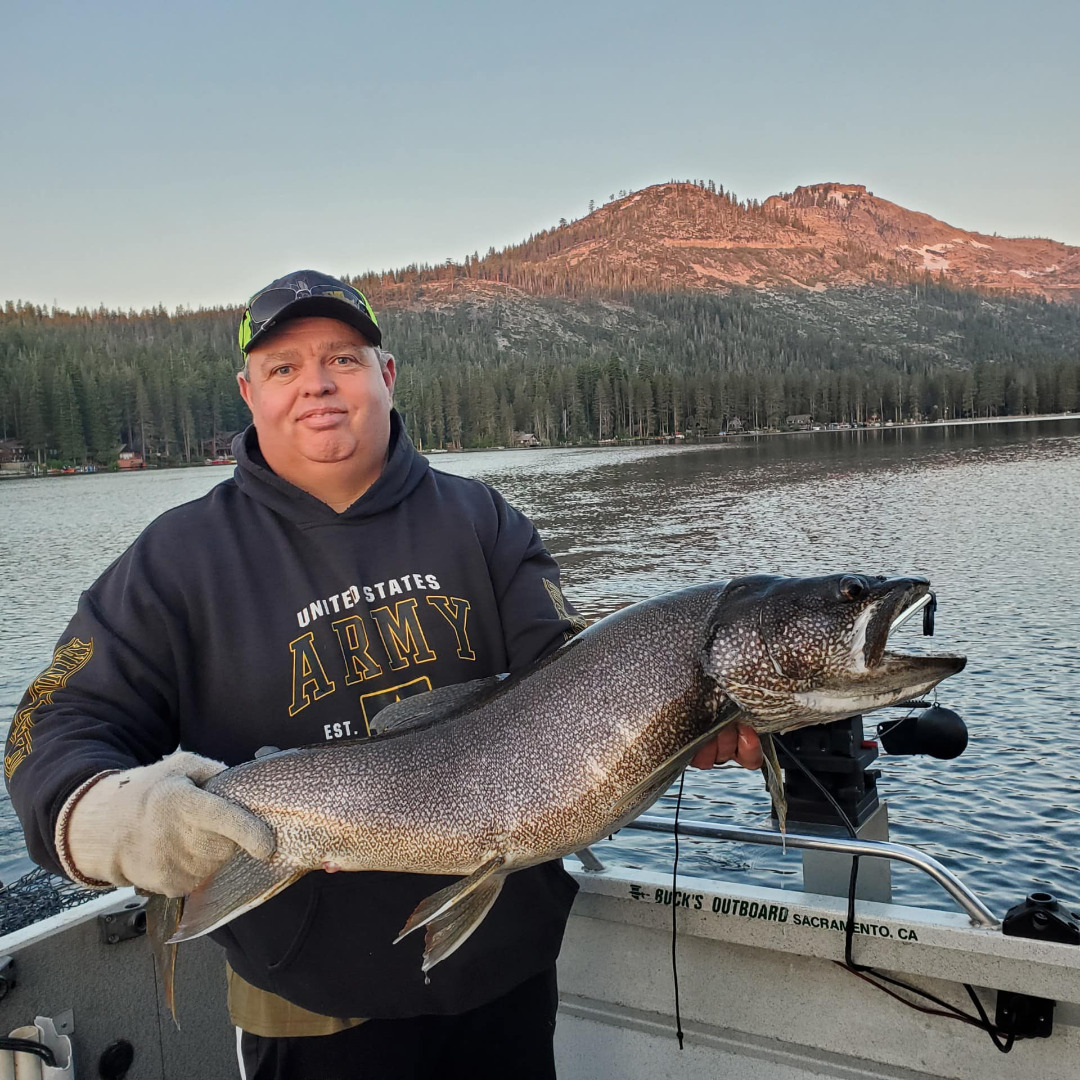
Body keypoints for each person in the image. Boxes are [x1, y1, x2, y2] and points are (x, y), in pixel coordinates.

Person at [4, 270, 763, 1080]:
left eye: (342, 358)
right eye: (284, 368)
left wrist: (680, 717)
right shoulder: (173, 561)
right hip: (306, 1005)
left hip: (501, 976)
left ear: (385, 375)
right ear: (248, 393)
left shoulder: (482, 520)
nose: (317, 385)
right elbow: (48, 730)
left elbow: (568, 670)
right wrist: (127, 819)